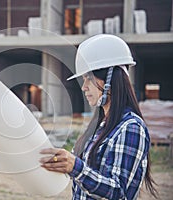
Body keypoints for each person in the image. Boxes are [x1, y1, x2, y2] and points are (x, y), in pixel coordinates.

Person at [40, 34, 158, 199]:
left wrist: (76, 167)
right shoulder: (100, 125)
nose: (84, 87)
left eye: (88, 78)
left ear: (110, 79)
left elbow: (117, 192)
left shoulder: (131, 128)